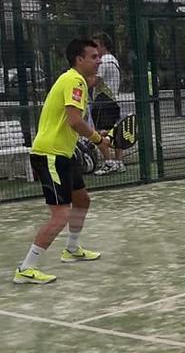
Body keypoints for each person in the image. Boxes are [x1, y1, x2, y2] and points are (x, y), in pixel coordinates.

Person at [14, 39, 108, 284]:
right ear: (79, 59)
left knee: (82, 200)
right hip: (50, 155)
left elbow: (73, 123)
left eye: (99, 56)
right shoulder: (74, 80)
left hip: (62, 154)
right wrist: (98, 139)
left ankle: (72, 249)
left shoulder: (74, 81)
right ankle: (26, 268)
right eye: (94, 57)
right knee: (61, 214)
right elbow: (74, 121)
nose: (99, 61)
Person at [91, 32, 125, 175]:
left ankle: (109, 162)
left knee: (99, 133)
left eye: (96, 46)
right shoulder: (114, 60)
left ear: (103, 46)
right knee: (115, 133)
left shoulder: (104, 60)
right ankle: (119, 162)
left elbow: (94, 81)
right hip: (111, 101)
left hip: (103, 102)